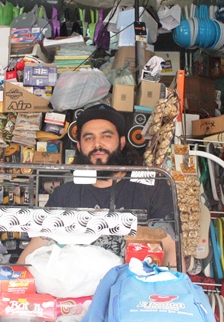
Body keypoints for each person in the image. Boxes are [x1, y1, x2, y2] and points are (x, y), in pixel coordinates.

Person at [18, 104, 177, 266]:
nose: (97, 144)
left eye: (106, 136)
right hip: (80, 287)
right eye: (89, 138)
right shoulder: (63, 195)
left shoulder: (152, 188)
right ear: (79, 146)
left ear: (121, 142)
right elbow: (36, 247)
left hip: (134, 286)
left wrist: (176, 287)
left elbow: (171, 246)